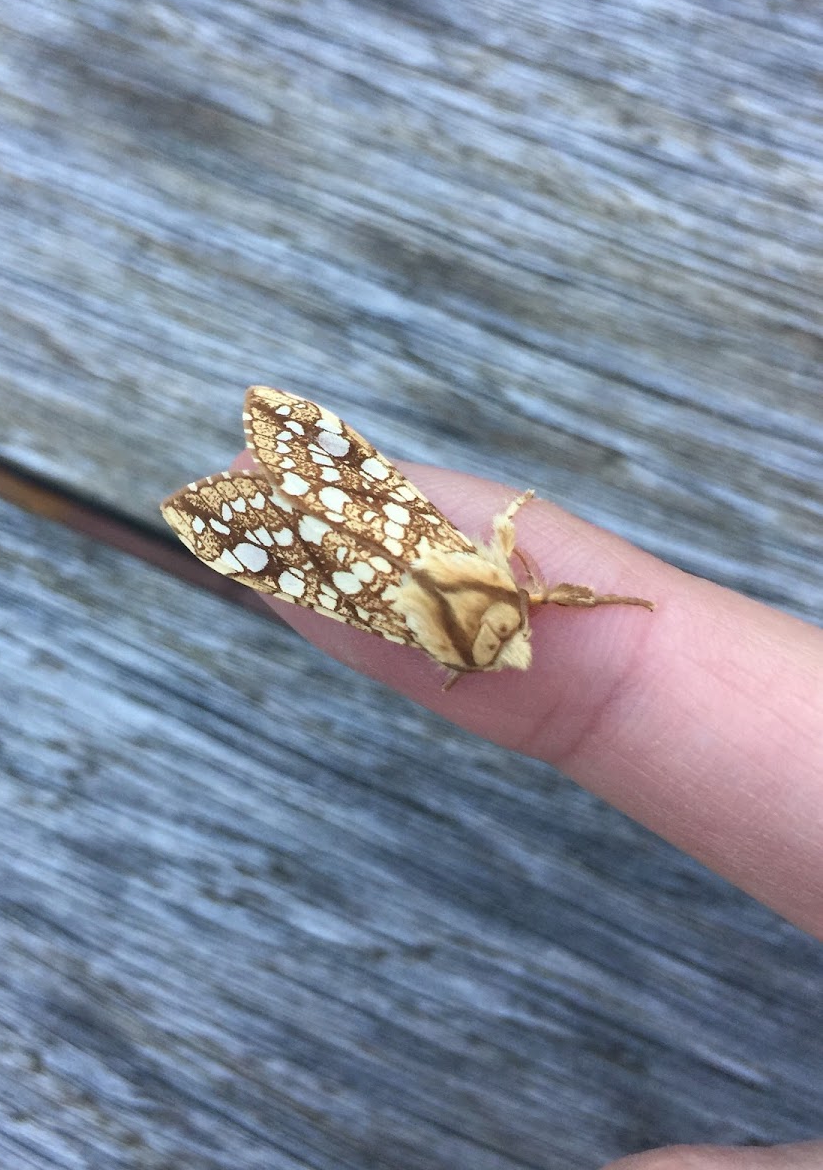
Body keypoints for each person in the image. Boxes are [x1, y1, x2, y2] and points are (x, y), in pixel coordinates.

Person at [239, 454, 823, 1170]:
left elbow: (499, 561)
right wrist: (510, 529)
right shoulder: (497, 604)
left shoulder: (468, 617)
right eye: (507, 640)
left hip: (382, 576)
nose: (519, 654)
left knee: (345, 559)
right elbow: (504, 554)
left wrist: (509, 536)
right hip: (406, 561)